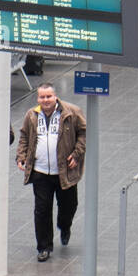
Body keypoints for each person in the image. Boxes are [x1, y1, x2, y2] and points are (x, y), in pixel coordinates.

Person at [16, 83, 86, 262]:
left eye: (48, 97)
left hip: (64, 171)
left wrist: (77, 153)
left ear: (55, 97)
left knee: (69, 206)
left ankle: (65, 226)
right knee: (42, 210)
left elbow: (84, 133)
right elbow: (24, 136)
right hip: (40, 171)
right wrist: (21, 156)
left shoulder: (71, 112)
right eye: (42, 97)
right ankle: (44, 246)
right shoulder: (32, 115)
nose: (45, 100)